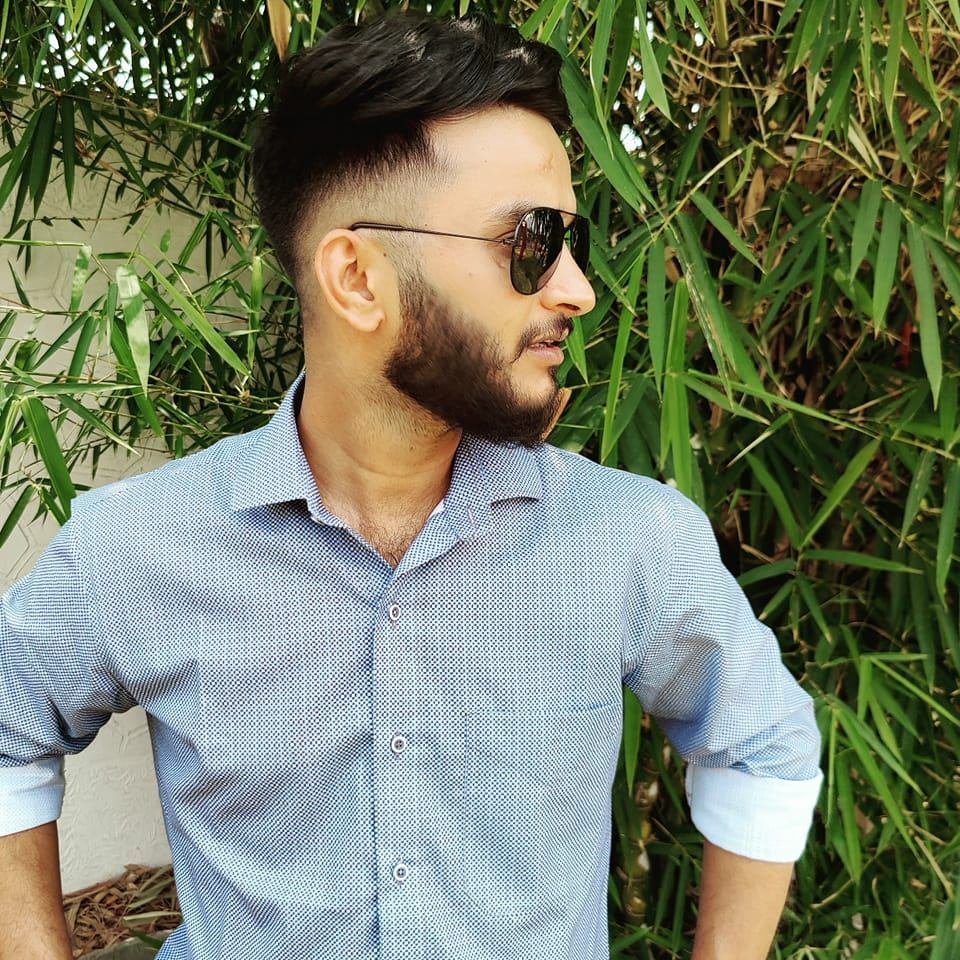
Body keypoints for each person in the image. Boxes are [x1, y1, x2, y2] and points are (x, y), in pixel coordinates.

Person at [0, 10, 823, 960]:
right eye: (531, 240)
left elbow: (763, 745)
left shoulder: (630, 541)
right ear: (357, 277)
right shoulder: (137, 547)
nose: (577, 289)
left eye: (573, 242)